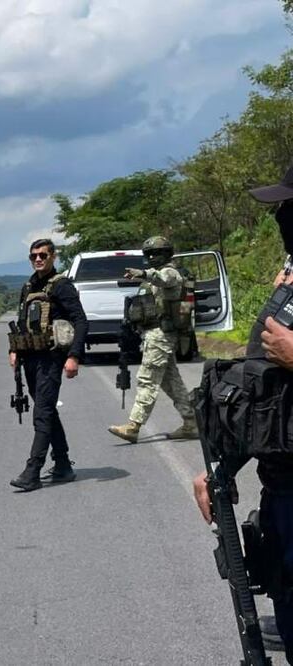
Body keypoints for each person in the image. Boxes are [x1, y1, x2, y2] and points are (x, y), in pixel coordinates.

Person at [193, 167, 293, 662]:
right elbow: (261, 389)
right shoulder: (290, 283)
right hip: (283, 484)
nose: (282, 217)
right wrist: (221, 468)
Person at [8, 239, 88, 492]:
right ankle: (63, 464)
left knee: (42, 412)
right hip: (31, 358)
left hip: (52, 358)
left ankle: (33, 470)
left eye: (43, 255)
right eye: (33, 256)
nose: (38, 259)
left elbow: (81, 320)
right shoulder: (30, 285)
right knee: (47, 410)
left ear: (53, 256)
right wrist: (14, 350)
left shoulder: (61, 286)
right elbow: (22, 321)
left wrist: (74, 356)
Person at [108, 236, 197, 443]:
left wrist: (144, 274)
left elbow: (163, 279)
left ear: (167, 254)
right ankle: (191, 422)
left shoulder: (170, 272)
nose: (153, 257)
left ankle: (133, 426)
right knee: (171, 382)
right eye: (149, 254)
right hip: (155, 334)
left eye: (157, 253)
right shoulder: (159, 274)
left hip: (161, 335)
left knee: (147, 378)